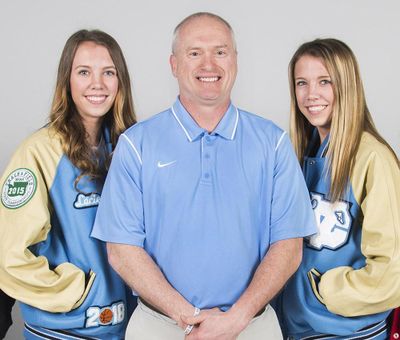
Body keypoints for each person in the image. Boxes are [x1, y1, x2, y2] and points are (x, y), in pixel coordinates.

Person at [92, 12, 316, 340]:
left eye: (220, 52)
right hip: (159, 327)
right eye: (195, 53)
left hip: (252, 327)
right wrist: (190, 317)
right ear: (173, 64)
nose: (208, 65)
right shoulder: (137, 144)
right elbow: (122, 250)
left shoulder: (273, 142)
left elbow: (289, 245)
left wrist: (235, 319)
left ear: (235, 61)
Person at [0, 29, 137, 339]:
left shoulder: (130, 148)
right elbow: (9, 256)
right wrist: (74, 293)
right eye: (84, 72)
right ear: (67, 80)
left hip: (129, 329)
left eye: (108, 72)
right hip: (64, 331)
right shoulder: (38, 152)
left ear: (120, 82)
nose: (97, 84)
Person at [275, 38, 400, 339]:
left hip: (348, 332)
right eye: (301, 82)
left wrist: (326, 291)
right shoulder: (302, 156)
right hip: (298, 330)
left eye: (324, 82)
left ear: (347, 86)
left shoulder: (372, 158)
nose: (311, 94)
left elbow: (392, 269)